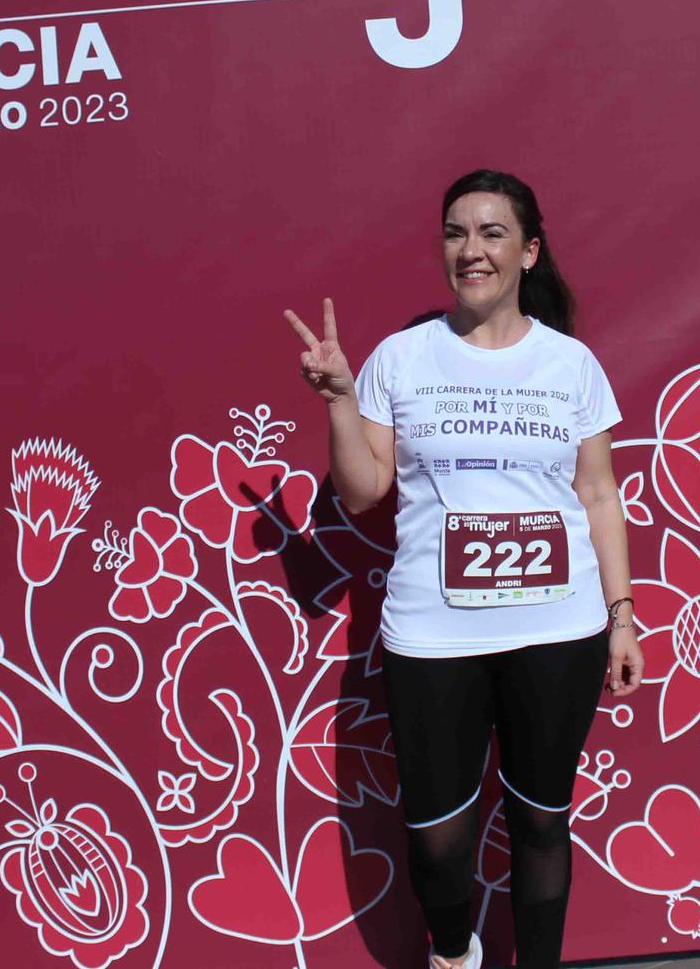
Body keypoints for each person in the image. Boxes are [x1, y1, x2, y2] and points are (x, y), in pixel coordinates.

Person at [285, 169, 644, 969]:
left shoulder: (570, 365)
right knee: (437, 840)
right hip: (433, 635)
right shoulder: (400, 359)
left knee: (543, 822)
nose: (471, 250)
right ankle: (457, 951)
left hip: (558, 630)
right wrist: (340, 399)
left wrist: (621, 615)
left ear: (528, 251)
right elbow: (363, 488)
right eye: (455, 232)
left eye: (490, 233)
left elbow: (597, 492)